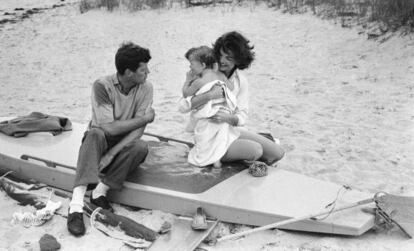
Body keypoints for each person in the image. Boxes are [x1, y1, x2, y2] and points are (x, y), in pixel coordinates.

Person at [67, 42, 155, 237]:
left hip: (121, 148)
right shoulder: (102, 86)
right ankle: (75, 205)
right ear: (128, 72)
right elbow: (109, 128)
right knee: (95, 133)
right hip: (99, 142)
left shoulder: (146, 87)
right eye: (143, 69)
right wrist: (145, 118)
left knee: (141, 146)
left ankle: (100, 192)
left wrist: (111, 155)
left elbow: (138, 132)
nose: (148, 72)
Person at [185, 31, 285, 165]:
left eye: (228, 58)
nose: (222, 61)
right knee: (256, 150)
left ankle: (250, 145)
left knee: (277, 153)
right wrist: (209, 96)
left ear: (238, 60)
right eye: (220, 55)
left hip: (231, 129)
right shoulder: (206, 74)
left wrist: (229, 118)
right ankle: (220, 155)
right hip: (209, 135)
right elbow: (186, 104)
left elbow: (242, 114)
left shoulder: (240, 81)